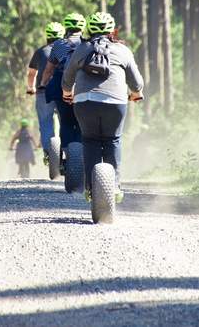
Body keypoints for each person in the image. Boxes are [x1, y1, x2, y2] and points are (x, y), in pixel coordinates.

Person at [61, 12, 144, 203]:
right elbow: (137, 83)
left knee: (89, 140)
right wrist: (136, 94)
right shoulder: (123, 50)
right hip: (115, 103)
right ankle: (113, 186)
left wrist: (67, 93)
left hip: (83, 102)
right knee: (112, 140)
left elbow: (68, 77)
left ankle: (91, 188)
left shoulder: (81, 49)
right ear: (112, 31)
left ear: (88, 29)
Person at [40, 13, 86, 155]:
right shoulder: (87, 44)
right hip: (83, 86)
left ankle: (66, 156)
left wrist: (43, 83)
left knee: (65, 122)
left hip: (62, 87)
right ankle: (81, 154)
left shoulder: (59, 44)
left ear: (67, 27)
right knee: (81, 122)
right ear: (83, 27)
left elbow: (49, 69)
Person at [26, 21, 65, 163]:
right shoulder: (67, 50)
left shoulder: (40, 51)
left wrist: (30, 88)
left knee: (45, 122)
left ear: (47, 36)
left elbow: (31, 74)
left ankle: (49, 153)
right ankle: (68, 150)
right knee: (66, 121)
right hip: (63, 92)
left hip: (43, 93)